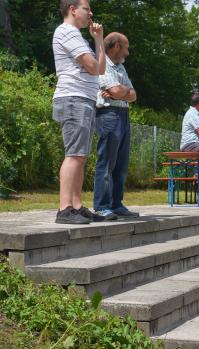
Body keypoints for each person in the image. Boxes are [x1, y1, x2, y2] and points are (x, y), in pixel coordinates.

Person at [52, 0, 106, 224]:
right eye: (87, 8)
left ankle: (76, 206)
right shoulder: (67, 32)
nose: (91, 13)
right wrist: (96, 50)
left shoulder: (79, 36)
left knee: (80, 156)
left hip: (83, 99)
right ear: (73, 10)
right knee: (74, 154)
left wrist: (99, 40)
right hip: (73, 98)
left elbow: (100, 69)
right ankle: (64, 209)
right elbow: (94, 67)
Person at [92, 32, 138, 220]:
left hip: (123, 114)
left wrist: (121, 92)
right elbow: (116, 90)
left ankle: (116, 204)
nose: (127, 52)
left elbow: (132, 95)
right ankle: (102, 206)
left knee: (121, 164)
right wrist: (121, 91)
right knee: (107, 162)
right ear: (116, 46)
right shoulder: (103, 65)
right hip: (109, 115)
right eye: (125, 47)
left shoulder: (120, 67)